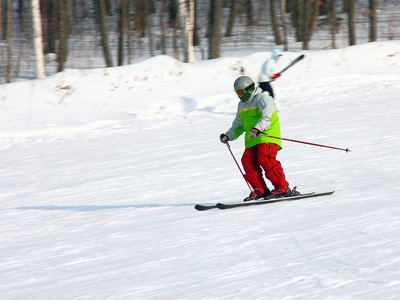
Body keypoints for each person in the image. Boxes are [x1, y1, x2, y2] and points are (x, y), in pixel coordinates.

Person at [219, 75, 291, 201]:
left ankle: (282, 187)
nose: (239, 95)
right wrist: (228, 136)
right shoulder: (241, 105)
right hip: (252, 138)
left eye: (241, 92)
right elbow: (239, 125)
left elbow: (267, 118)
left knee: (264, 159)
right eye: (237, 93)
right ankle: (260, 189)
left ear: (250, 89)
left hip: (266, 136)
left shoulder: (263, 98)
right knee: (247, 161)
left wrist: (258, 128)